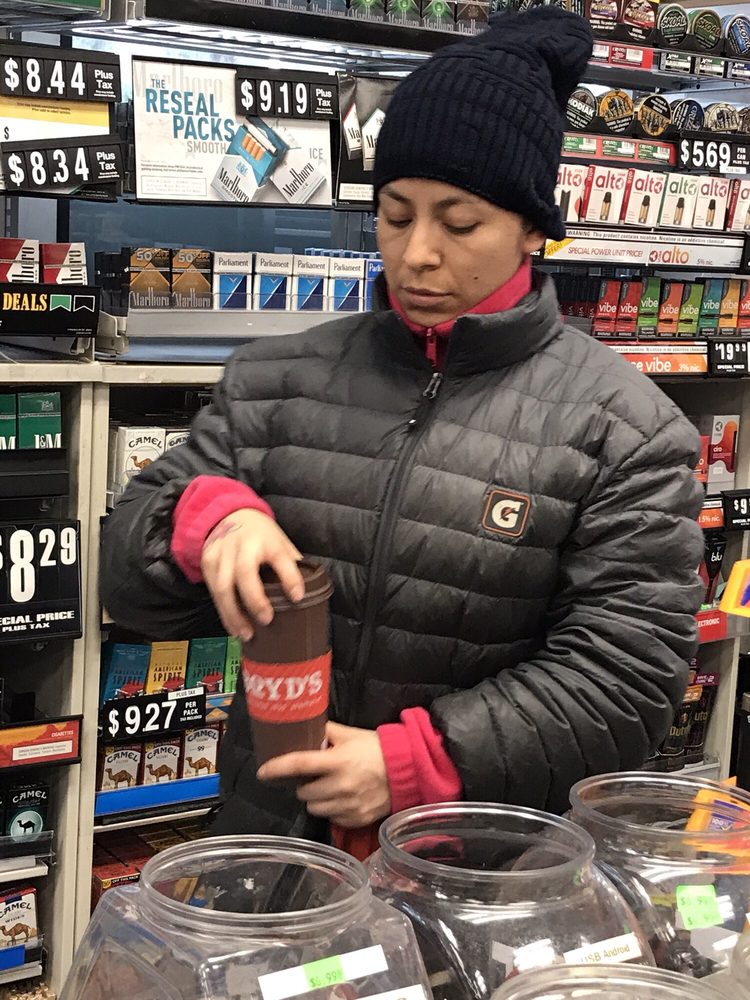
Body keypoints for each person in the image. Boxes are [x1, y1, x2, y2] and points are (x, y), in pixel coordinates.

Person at [100, 7, 704, 858]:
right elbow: (127, 579)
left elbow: (628, 680)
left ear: (534, 226)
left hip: (478, 871)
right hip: (275, 850)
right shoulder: (277, 377)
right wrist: (206, 519)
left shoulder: (627, 430)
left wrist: (418, 763)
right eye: (394, 214)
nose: (417, 253)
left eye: (459, 224)